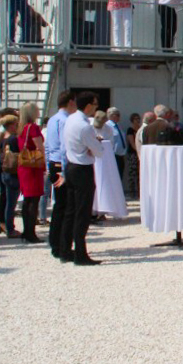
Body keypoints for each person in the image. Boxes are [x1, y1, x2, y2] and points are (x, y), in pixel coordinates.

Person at [59, 91, 104, 265]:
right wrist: (95, 145)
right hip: (82, 169)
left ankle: (65, 250)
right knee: (82, 213)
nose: (96, 108)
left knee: (70, 211)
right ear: (88, 106)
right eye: (95, 104)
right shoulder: (85, 126)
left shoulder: (71, 119)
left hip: (71, 166)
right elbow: (99, 151)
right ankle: (80, 253)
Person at [45, 91, 76, 258]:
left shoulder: (52, 119)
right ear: (70, 102)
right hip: (62, 164)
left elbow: (48, 146)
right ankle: (62, 245)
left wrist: (48, 166)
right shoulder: (65, 121)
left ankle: (55, 242)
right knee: (66, 207)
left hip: (53, 163)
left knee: (59, 206)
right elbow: (64, 148)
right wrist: (64, 171)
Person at [16, 102, 45, 243]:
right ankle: (30, 232)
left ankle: (27, 230)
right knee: (34, 199)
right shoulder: (33, 127)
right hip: (33, 166)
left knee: (28, 200)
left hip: (24, 166)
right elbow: (40, 146)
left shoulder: (21, 128)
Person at [0, 115, 21, 237]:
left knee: (8, 201)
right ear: (11, 125)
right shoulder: (13, 139)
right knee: (11, 203)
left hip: (5, 172)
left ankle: (7, 226)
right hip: (13, 173)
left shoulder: (4, 139)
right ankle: (10, 229)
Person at [106, 107, 128, 181]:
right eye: (117, 115)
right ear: (111, 115)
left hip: (120, 156)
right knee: (114, 178)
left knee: (119, 177)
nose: (119, 117)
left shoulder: (118, 126)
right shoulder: (107, 126)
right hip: (113, 156)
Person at [124, 112, 141, 198]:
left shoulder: (140, 129)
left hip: (140, 154)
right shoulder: (130, 130)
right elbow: (132, 143)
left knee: (139, 173)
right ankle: (131, 192)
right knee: (132, 173)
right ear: (132, 120)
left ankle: (139, 191)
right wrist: (138, 151)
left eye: (138, 118)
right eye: (136, 119)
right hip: (133, 154)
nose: (138, 120)